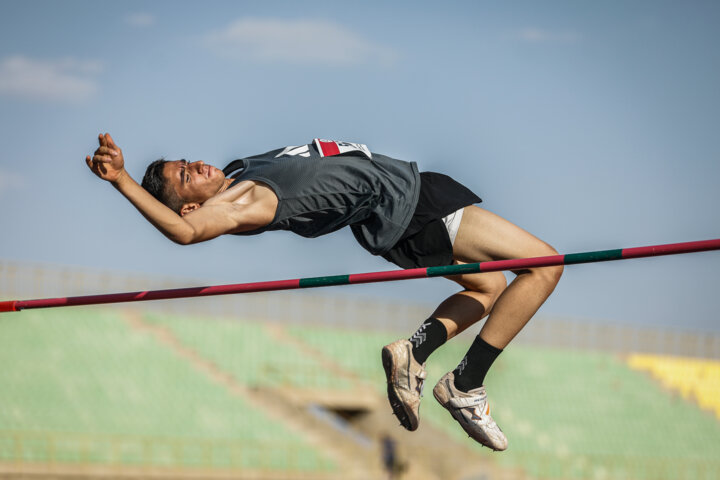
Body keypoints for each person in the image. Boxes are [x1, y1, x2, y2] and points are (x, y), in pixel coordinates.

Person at [86, 133, 562, 451]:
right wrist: (123, 181)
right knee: (545, 266)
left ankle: (414, 354)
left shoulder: (239, 173)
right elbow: (185, 233)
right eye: (188, 176)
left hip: (405, 202)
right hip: (411, 204)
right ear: (191, 205)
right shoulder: (238, 205)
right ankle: (464, 384)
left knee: (489, 285)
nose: (198, 165)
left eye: (187, 161)